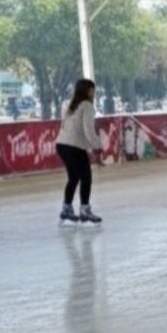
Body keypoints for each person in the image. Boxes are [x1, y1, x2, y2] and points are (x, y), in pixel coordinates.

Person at [55, 79, 104, 225]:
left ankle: (67, 209)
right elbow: (89, 130)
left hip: (61, 144)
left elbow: (65, 125)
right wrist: (98, 146)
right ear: (87, 91)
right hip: (73, 146)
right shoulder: (87, 106)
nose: (94, 93)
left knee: (74, 178)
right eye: (92, 90)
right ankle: (84, 210)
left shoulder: (68, 104)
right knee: (86, 177)